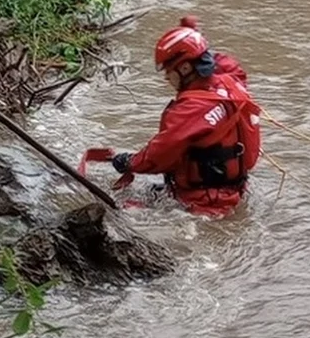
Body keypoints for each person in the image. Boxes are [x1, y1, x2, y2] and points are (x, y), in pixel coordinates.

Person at [111, 16, 262, 217]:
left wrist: (129, 162)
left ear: (185, 68)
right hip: (231, 192)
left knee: (122, 209)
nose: (166, 77)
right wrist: (194, 39)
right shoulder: (229, 81)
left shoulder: (191, 109)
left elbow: (158, 155)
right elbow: (227, 63)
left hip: (201, 203)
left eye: (168, 70)